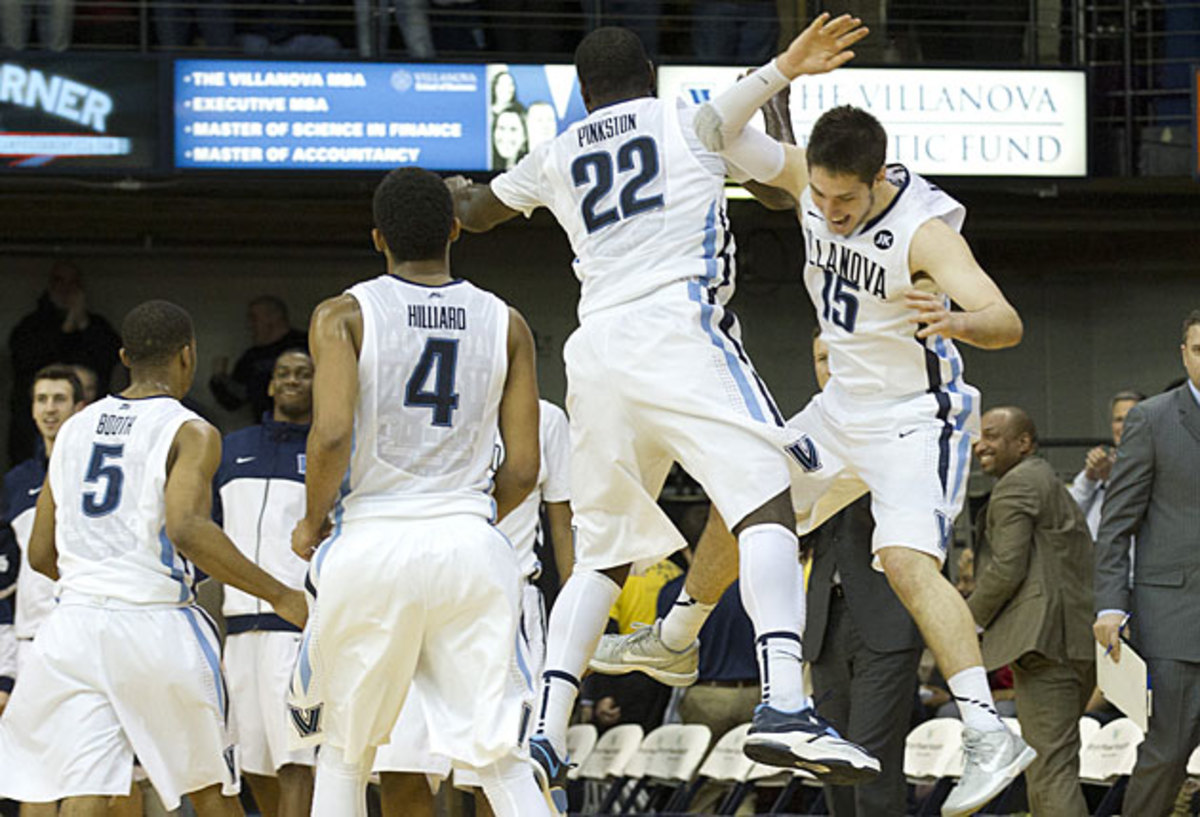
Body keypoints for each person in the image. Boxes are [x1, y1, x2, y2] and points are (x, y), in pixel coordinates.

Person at [597, 27, 1033, 815]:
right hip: (840, 411)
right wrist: (779, 74)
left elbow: (1006, 319)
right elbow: (715, 132)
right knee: (751, 487)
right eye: (820, 196)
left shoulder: (926, 229)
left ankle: (986, 729)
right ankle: (677, 634)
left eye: (845, 199)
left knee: (904, 561)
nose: (828, 211)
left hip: (914, 419)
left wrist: (959, 321)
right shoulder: (807, 179)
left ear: (878, 179)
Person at [445, 17, 880, 807]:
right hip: (677, 327)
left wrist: (446, 198)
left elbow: (477, 213)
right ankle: (785, 697)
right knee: (767, 498)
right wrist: (786, 66)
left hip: (597, 349)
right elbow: (752, 123)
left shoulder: (555, 152)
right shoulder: (686, 116)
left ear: (581, 92)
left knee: (604, 554)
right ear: (651, 74)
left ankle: (544, 727)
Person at [285, 167, 547, 817]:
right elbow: (522, 469)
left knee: (345, 753)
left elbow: (331, 434)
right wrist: (474, 517)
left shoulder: (342, 314)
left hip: (372, 538)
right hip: (470, 543)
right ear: (456, 229)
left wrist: (312, 520)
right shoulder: (507, 322)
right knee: (503, 763)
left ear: (378, 238)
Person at [0, 299, 307, 814]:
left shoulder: (73, 428)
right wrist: (280, 594)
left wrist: (92, 580)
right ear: (188, 355)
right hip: (153, 622)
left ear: (123, 355)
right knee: (212, 788)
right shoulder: (190, 430)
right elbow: (187, 528)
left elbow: (41, 552)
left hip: (71, 626)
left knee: (84, 784)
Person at [373, 397, 573, 817]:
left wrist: (577, 630)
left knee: (502, 775)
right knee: (400, 766)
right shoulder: (412, 401)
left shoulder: (546, 417)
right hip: (415, 597)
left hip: (505, 600)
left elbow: (563, 520)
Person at [802, 332, 923, 817]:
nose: (828, 368)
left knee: (870, 758)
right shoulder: (809, 431)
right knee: (831, 760)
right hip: (825, 622)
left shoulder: (897, 421)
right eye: (820, 359)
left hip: (885, 616)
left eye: (837, 357)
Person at [1093, 309, 1200, 817]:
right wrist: (1110, 606)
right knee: (1167, 753)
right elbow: (1116, 524)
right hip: (1174, 617)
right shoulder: (1152, 419)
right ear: (1184, 354)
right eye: (1199, 350)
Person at [971, 406, 1095, 817]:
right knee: (1054, 763)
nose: (979, 445)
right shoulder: (1046, 480)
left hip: (1044, 646)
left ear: (1023, 443)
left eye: (991, 435)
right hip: (1075, 643)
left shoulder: (1015, 485)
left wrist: (964, 621)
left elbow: (1007, 567)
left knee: (1049, 770)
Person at [214, 349, 316, 816]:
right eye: (284, 374)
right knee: (252, 762)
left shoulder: (330, 451)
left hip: (295, 632)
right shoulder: (232, 448)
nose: (293, 380)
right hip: (237, 631)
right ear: (271, 386)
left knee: (296, 760)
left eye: (304, 374)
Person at [8, 261, 121, 465]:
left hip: (91, 434)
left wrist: (83, 323)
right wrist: (68, 328)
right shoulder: (31, 327)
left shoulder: (97, 328)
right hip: (33, 435)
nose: (66, 290)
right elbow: (27, 360)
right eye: (60, 281)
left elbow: (111, 358)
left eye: (73, 283)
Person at [209, 295, 308, 424]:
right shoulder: (251, 358)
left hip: (307, 429)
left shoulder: (306, 345)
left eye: (254, 318)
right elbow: (234, 401)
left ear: (274, 317)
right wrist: (219, 380)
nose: (250, 325)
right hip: (267, 430)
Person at [1068, 390, 1144, 539]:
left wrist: (1111, 480)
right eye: (1119, 420)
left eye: (1131, 419)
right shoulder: (1103, 463)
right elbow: (1067, 515)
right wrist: (1089, 477)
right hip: (1096, 556)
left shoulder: (1159, 462)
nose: (1124, 426)